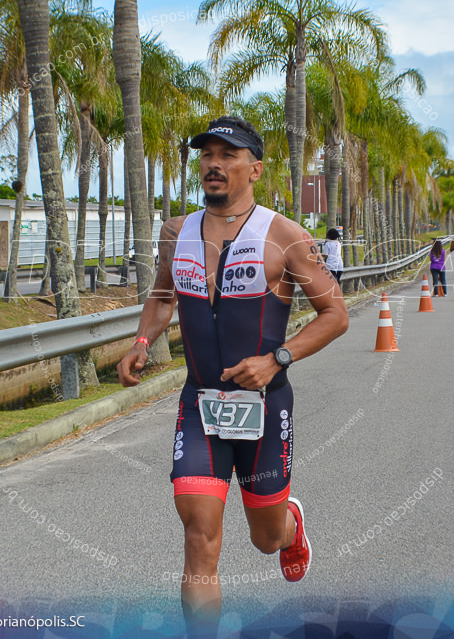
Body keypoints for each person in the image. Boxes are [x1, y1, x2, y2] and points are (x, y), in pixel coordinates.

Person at [116, 116, 348, 635]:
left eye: (228, 155)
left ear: (255, 169)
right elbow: (161, 294)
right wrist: (141, 342)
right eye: (207, 156)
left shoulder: (286, 236)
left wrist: (276, 360)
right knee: (199, 536)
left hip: (265, 406)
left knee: (264, 538)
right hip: (200, 404)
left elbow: (336, 315)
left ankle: (291, 527)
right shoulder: (176, 232)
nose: (214, 165)